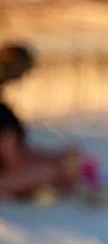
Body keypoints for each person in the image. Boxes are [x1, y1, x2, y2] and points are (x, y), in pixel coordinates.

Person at [0, 42, 84, 201]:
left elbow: (18, 151)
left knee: (53, 168)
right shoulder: (2, 115)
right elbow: (13, 160)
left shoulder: (5, 112)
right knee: (47, 173)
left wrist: (55, 157)